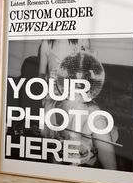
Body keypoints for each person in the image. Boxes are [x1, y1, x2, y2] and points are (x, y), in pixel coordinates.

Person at [38, 39, 118, 170]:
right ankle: (73, 164)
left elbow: (90, 74)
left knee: (98, 119)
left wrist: (90, 65)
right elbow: (39, 80)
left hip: (79, 95)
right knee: (83, 109)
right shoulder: (46, 44)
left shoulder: (82, 40)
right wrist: (49, 78)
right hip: (55, 97)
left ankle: (115, 177)